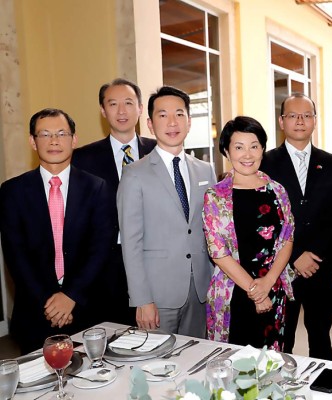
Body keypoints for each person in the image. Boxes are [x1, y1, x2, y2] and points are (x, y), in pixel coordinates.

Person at [0, 108, 115, 353]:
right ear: (33, 141)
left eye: (62, 133)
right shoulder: (12, 191)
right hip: (35, 311)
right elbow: (15, 255)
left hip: (87, 308)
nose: (54, 140)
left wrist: (71, 296)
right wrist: (50, 304)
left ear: (74, 139)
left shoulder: (97, 187)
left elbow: (101, 247)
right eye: (45, 134)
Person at [117, 86, 216, 337]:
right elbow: (131, 242)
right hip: (157, 294)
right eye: (163, 115)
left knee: (197, 360)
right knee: (157, 367)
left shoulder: (206, 171)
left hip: (201, 290)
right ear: (149, 124)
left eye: (179, 114)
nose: (172, 122)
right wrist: (141, 298)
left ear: (190, 122)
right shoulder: (134, 174)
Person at [260, 94, 332, 360]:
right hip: (282, 269)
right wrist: (296, 256)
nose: (300, 121)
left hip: (320, 267)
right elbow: (266, 219)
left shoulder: (331, 163)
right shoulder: (265, 163)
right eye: (293, 115)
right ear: (282, 121)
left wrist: (314, 252)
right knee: (282, 341)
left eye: (306, 115)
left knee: (321, 339)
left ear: (315, 121)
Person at [203, 116, 295, 351]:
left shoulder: (277, 191)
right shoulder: (215, 196)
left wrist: (267, 284)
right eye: (239, 147)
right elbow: (218, 252)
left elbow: (287, 239)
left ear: (262, 149)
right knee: (232, 367)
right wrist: (256, 292)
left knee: (271, 366)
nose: (247, 154)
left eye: (254, 146)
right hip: (233, 293)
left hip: (273, 288)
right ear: (226, 150)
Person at [72, 78, 156, 325]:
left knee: (156, 337)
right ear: (102, 110)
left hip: (152, 258)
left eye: (129, 103)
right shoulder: (83, 159)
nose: (122, 111)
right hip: (105, 264)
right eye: (113, 104)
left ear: (140, 109)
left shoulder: (158, 152)